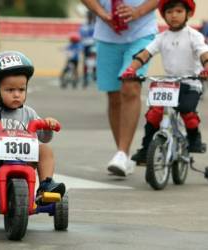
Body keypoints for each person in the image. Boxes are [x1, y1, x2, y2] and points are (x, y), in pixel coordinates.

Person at [0, 51, 66, 218]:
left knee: (45, 149)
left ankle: (45, 185)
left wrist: (47, 126)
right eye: (9, 89)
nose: (17, 94)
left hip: (25, 160)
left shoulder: (29, 113)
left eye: (21, 89)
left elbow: (43, 137)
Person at [121, 0, 208, 165]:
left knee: (187, 110)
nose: (173, 15)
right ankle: (146, 149)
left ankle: (194, 137)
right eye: (169, 12)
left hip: (191, 83)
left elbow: (204, 53)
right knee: (154, 114)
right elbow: (145, 53)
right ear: (164, 16)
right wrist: (131, 69)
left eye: (178, 11)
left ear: (188, 14)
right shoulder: (161, 37)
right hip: (169, 84)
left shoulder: (194, 35)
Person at [81, 0, 158, 176]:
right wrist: (102, 13)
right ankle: (123, 154)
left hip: (142, 33)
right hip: (107, 35)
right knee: (114, 96)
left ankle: (122, 153)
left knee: (130, 85)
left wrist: (138, 11)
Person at [79, 11, 95, 87]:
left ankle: (95, 75)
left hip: (92, 45)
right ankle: (85, 78)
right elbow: (81, 36)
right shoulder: (85, 25)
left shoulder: (94, 24)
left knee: (95, 61)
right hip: (87, 45)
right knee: (86, 62)